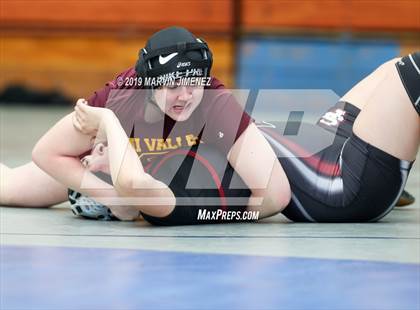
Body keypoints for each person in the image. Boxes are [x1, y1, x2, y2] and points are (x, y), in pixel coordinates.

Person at [0, 26, 418, 224]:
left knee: (391, 69)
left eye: (193, 84)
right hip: (339, 180)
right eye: (98, 153)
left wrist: (107, 158)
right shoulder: (154, 177)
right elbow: (273, 196)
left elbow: (27, 173)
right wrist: (117, 185)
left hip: (324, 144)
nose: (186, 96)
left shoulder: (125, 120)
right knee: (411, 71)